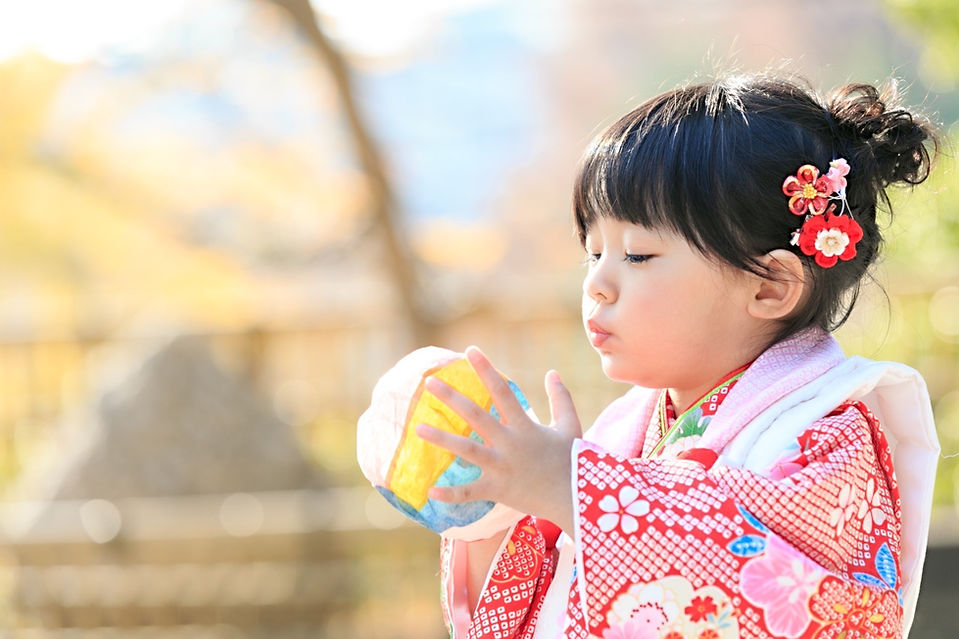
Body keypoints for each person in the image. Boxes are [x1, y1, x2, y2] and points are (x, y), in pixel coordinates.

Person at [414, 75, 941, 639]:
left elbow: (809, 611)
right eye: (594, 252)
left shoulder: (824, 441)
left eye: (638, 254)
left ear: (769, 287)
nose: (597, 283)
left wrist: (575, 491)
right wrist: (499, 511)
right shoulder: (623, 433)